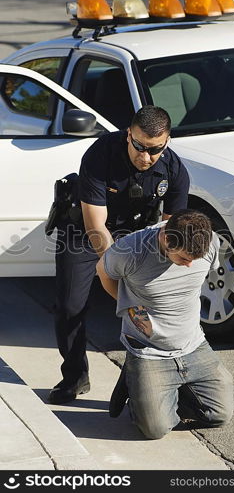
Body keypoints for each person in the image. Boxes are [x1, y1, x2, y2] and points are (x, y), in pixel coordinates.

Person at [48, 105, 190, 404]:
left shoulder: (174, 169)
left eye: (155, 149)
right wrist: (119, 272)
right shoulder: (101, 155)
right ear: (129, 135)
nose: (146, 156)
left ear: (167, 141)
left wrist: (154, 278)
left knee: (148, 309)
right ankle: (74, 377)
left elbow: (170, 230)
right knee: (70, 306)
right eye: (139, 146)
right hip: (85, 234)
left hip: (139, 235)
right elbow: (94, 224)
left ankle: (139, 381)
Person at [96, 209, 234, 439]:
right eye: (183, 259)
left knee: (219, 415)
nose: (189, 265)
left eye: (194, 260)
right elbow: (102, 270)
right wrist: (128, 305)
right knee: (155, 429)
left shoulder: (210, 242)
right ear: (165, 238)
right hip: (148, 348)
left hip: (193, 344)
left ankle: (154, 393)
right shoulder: (130, 251)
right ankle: (140, 386)